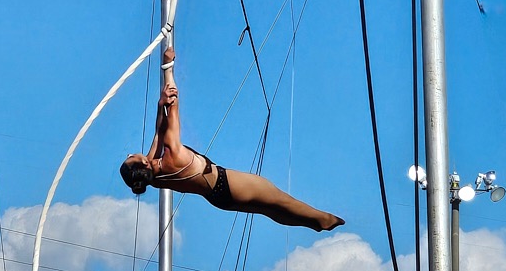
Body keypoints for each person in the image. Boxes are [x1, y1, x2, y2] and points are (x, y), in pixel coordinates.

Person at [120, 47, 345, 232]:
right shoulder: (172, 153)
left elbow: (159, 130)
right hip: (227, 183)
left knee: (270, 210)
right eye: (131, 158)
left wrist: (161, 106)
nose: (131, 154)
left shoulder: (154, 177)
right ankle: (321, 219)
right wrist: (168, 68)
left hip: (219, 199)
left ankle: (313, 223)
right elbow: (173, 106)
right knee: (279, 200)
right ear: (142, 164)